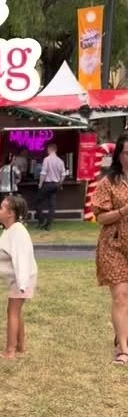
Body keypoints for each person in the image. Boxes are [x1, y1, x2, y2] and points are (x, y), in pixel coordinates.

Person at [91, 131, 128, 365]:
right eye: (127, 153)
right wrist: (124, 210)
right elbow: (101, 217)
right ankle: (124, 349)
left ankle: (122, 332)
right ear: (119, 156)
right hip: (114, 245)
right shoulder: (108, 183)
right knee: (120, 296)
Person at [0, 193, 37, 360]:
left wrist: (22, 283)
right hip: (18, 279)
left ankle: (10, 351)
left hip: (21, 279)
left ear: (10, 213)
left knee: (12, 312)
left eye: (1, 208)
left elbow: (21, 258)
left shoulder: (18, 232)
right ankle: (21, 347)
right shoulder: (12, 230)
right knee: (16, 311)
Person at [36, 141, 66, 230]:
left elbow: (43, 173)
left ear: (49, 149)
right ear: (56, 150)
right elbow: (63, 174)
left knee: (37, 202)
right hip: (55, 185)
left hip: (47, 184)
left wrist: (40, 184)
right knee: (52, 205)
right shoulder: (60, 161)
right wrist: (60, 183)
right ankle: (48, 224)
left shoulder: (47, 159)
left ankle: (42, 220)